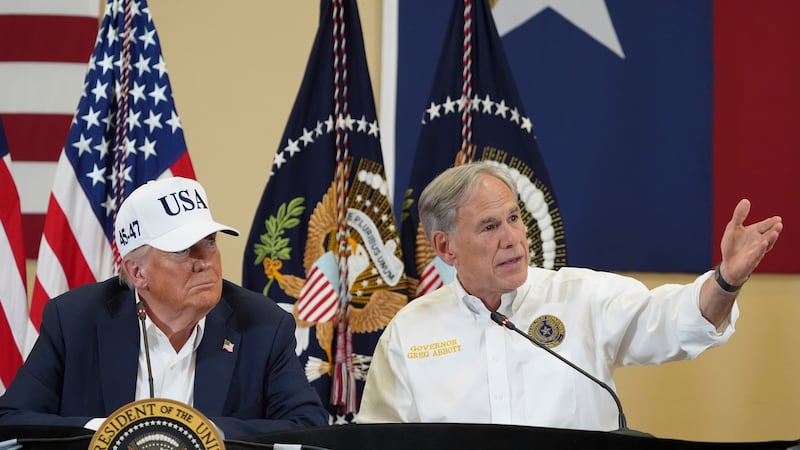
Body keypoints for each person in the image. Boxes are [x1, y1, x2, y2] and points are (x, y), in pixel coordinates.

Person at [358, 162, 783, 431]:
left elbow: (673, 321)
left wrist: (725, 280)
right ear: (445, 248)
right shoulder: (409, 335)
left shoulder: (580, 297)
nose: (512, 239)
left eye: (514, 219)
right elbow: (377, 442)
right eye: (489, 227)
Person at [0, 177, 329, 438]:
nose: (205, 262)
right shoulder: (74, 320)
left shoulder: (263, 324)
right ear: (137, 272)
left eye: (211, 243)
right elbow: (11, 421)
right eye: (184, 249)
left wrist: (204, 434)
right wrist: (105, 433)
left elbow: (309, 427)